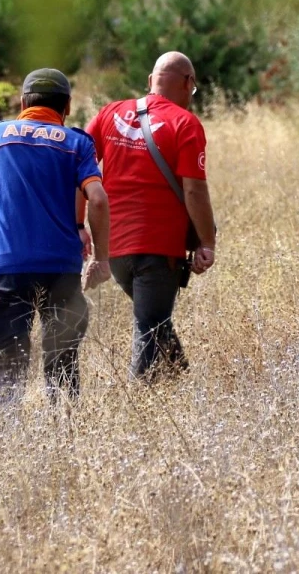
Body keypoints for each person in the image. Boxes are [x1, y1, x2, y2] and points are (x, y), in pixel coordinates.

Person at [0, 68, 111, 402]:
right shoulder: (77, 143)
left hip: (5, 267)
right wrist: (101, 257)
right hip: (61, 269)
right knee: (62, 364)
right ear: (66, 107)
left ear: (23, 102)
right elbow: (97, 198)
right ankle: (64, 435)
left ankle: (7, 443)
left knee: (6, 368)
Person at [80, 51, 217, 381]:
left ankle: (180, 384)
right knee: (151, 325)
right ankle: (137, 409)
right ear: (188, 83)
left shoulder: (109, 112)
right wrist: (208, 242)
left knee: (155, 323)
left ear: (150, 82)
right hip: (157, 249)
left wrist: (78, 226)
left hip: (113, 250)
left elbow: (78, 165)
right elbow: (194, 191)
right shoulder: (185, 123)